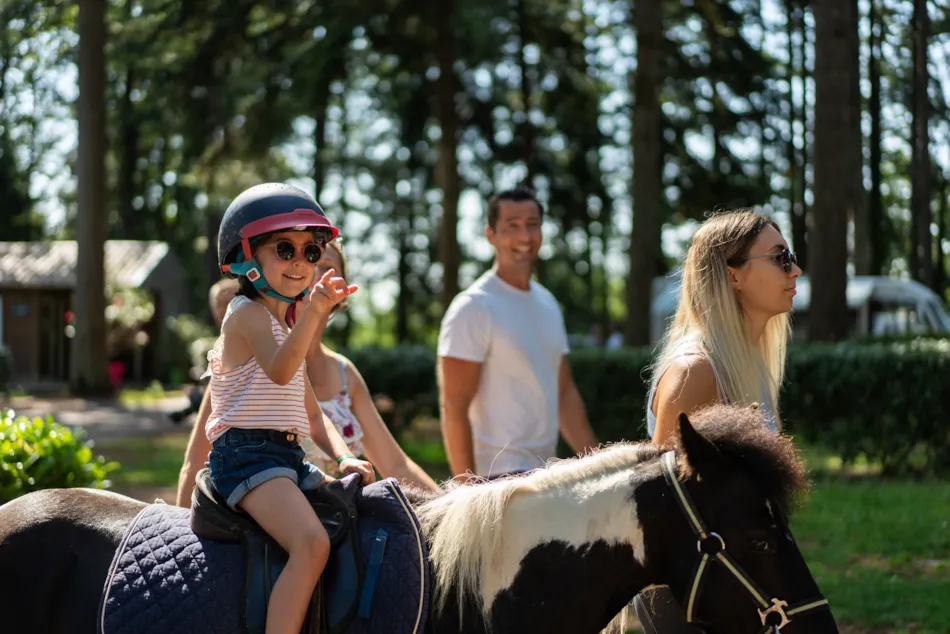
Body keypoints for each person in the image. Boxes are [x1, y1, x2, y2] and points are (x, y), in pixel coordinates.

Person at [205, 182, 375, 634]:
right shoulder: (247, 314)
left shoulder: (283, 324)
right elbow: (281, 372)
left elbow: (313, 414)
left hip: (284, 457)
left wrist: (343, 457)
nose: (301, 262)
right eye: (285, 248)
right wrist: (316, 311)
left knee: (357, 516)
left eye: (311, 250)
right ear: (248, 258)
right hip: (246, 457)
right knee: (311, 544)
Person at [634, 209, 802, 633]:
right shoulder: (697, 371)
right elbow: (663, 510)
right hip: (692, 600)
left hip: (732, 584)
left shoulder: (747, 364)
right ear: (732, 276)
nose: (795, 270)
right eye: (781, 258)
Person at [175, 241, 440, 509]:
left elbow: (395, 464)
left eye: (326, 266)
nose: (314, 273)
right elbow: (195, 463)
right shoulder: (246, 363)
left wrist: (447, 508)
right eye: (294, 256)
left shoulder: (346, 374)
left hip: (335, 520)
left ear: (342, 291)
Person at [436, 187, 598, 480]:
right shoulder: (474, 307)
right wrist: (467, 492)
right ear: (491, 235)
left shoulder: (547, 302)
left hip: (545, 475)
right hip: (495, 480)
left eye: (532, 224)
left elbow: (564, 394)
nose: (525, 236)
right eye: (512, 226)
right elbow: (453, 407)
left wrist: (600, 467)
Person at [169, 278, 239, 424]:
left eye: (230, 302)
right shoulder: (221, 343)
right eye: (218, 303)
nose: (224, 309)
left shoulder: (252, 340)